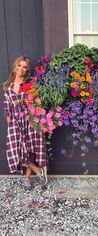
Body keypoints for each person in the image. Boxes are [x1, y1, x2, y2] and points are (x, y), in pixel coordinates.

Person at [3, 56, 48, 189]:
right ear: (15, 67)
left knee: (30, 149)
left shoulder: (30, 84)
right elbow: (7, 108)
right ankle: (39, 171)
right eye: (19, 66)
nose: (21, 69)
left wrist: (38, 122)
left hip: (30, 119)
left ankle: (27, 178)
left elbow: (36, 103)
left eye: (24, 67)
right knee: (16, 150)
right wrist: (10, 125)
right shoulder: (7, 86)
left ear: (27, 70)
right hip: (15, 122)